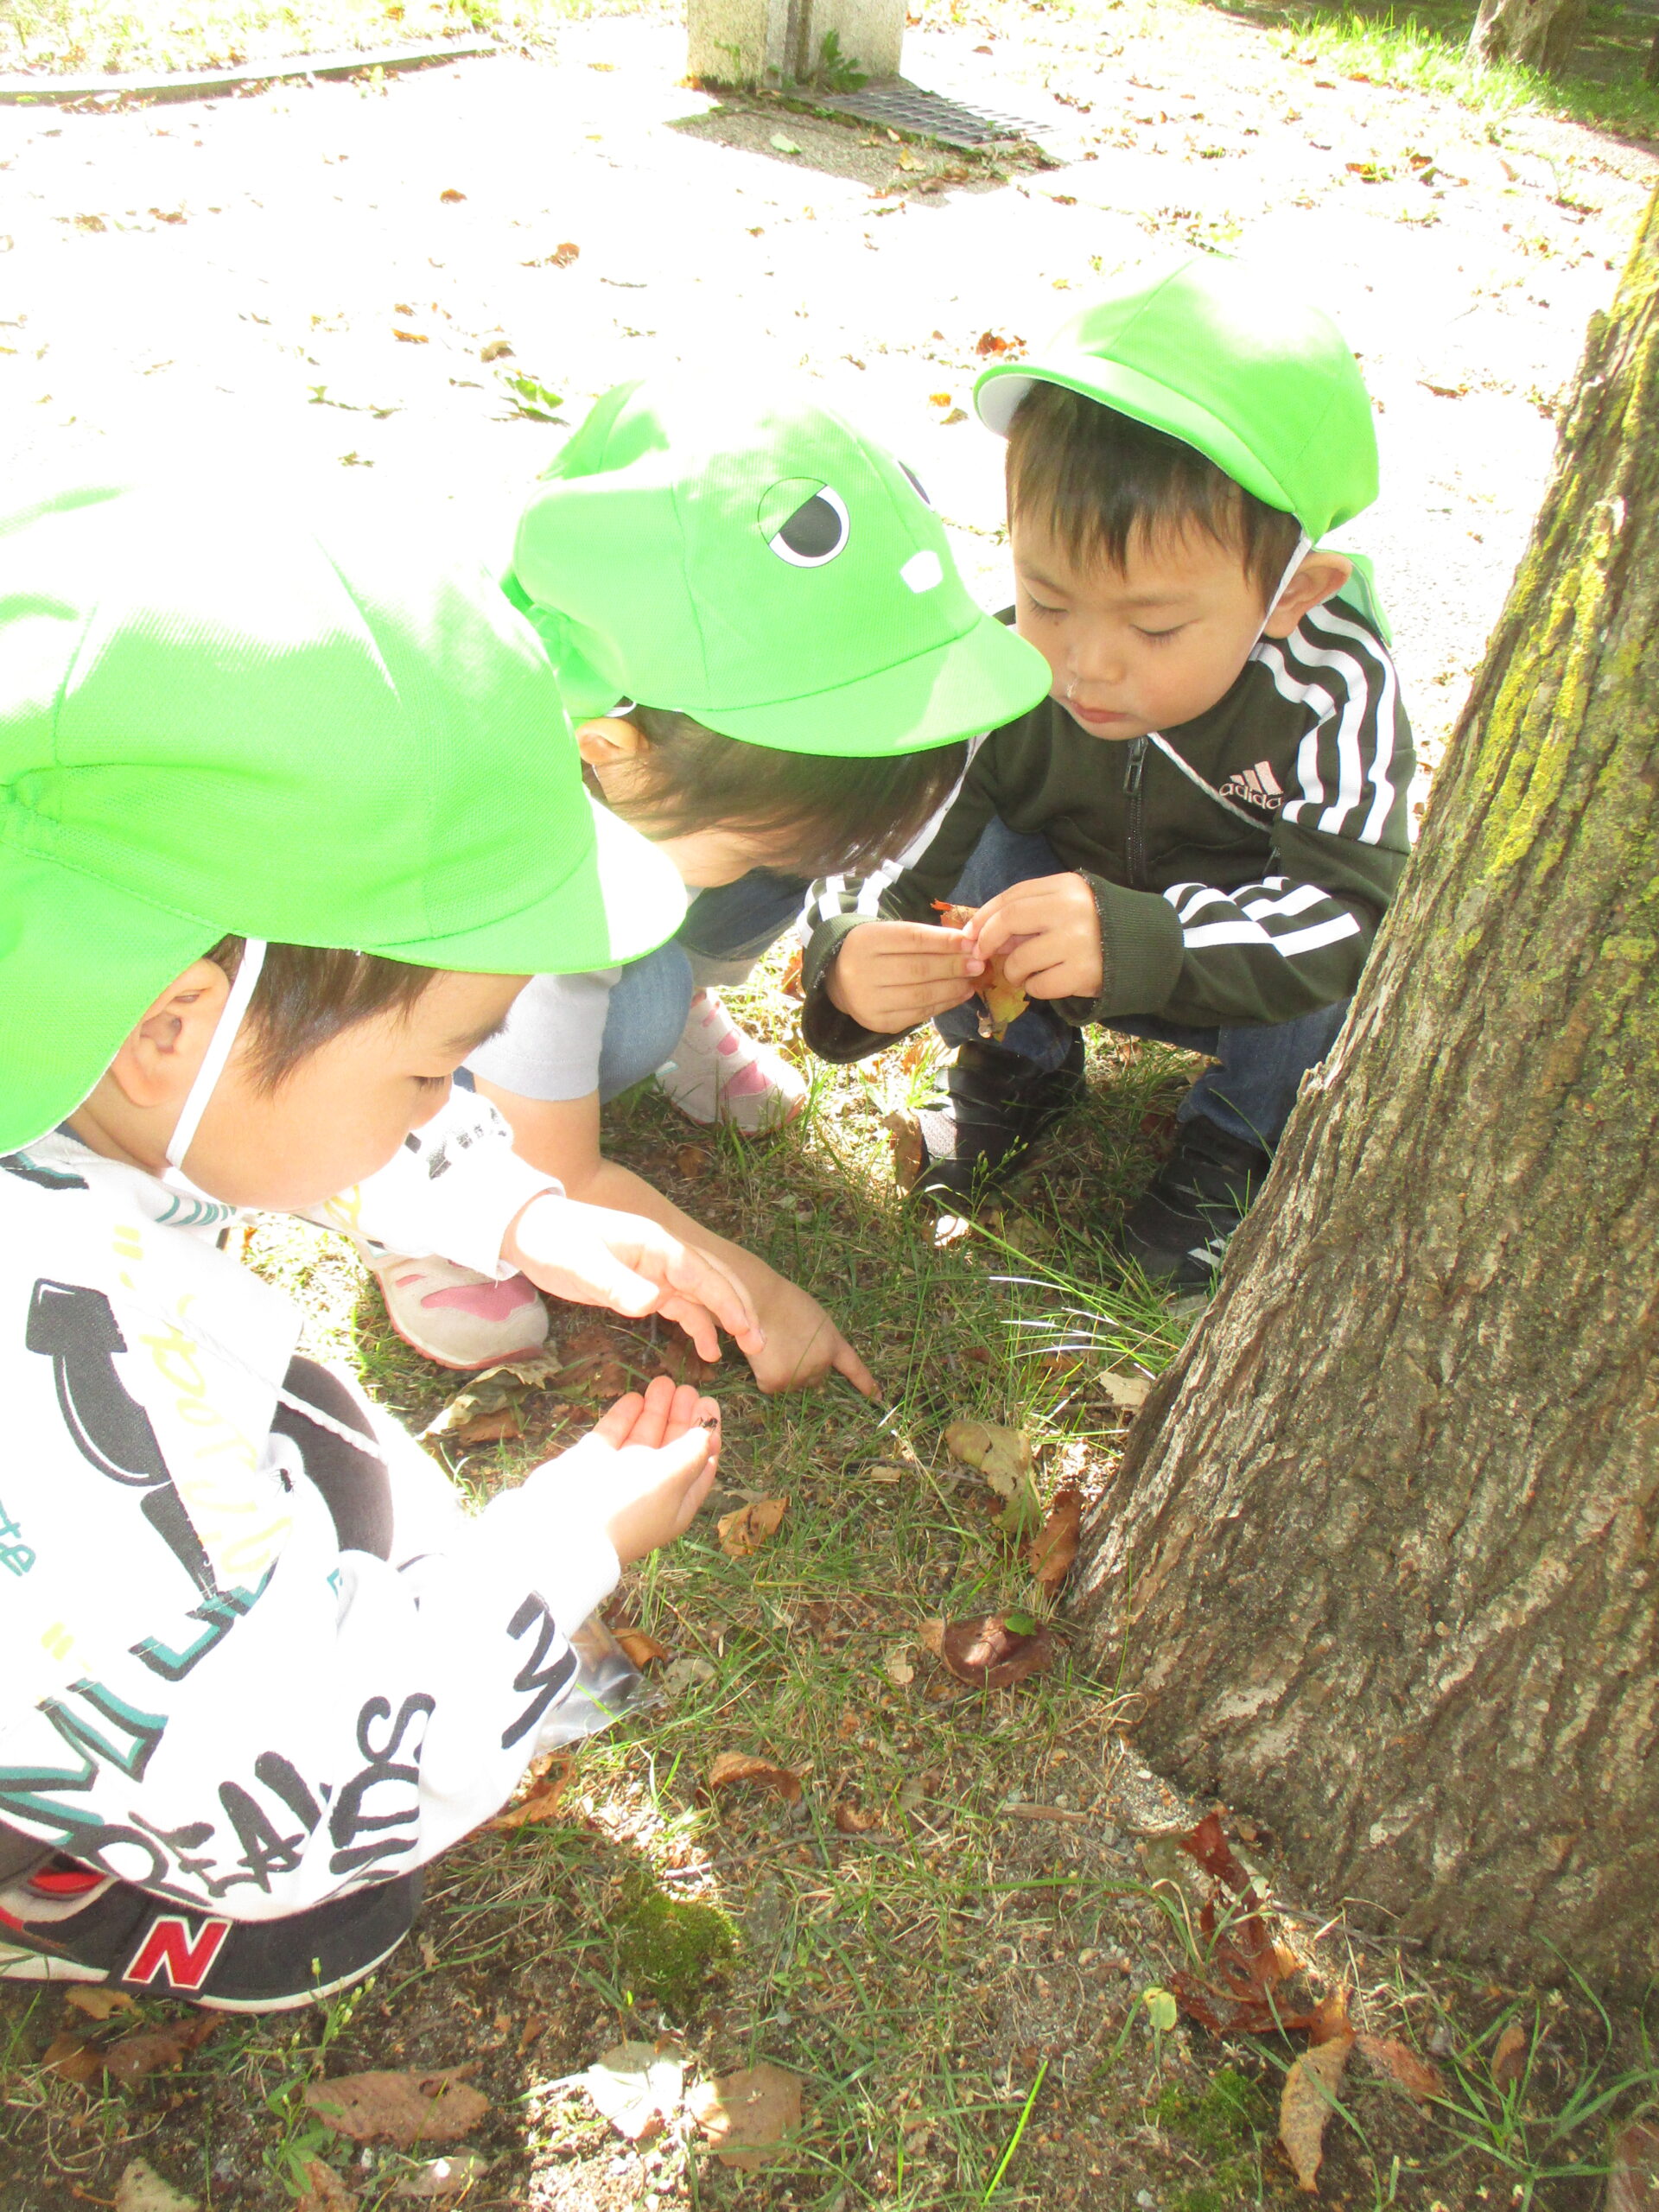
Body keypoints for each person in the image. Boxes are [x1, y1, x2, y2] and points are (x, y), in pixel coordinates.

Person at [0, 479, 758, 2010]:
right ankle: (51, 1869)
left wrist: (520, 1211)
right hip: (156, 1716)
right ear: (172, 1032)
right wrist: (564, 1549)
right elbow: (277, 1771)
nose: (443, 1098)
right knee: (306, 1874)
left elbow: (288, 1115)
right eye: (431, 1069)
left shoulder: (67, 1021)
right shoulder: (70, 1362)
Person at [372, 374, 1052, 1384]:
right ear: (612, 750)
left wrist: (813, 890)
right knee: (583, 1027)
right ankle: (424, 1198)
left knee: (745, 876)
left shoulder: (658, 750)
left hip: (613, 869)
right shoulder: (517, 868)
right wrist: (757, 1295)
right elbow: (567, 1173)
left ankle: (660, 996)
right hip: (386, 1008)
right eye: (740, 847)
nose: (779, 874)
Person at [796, 257, 1416, 1293]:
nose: (1086, 662)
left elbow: (1350, 916)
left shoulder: (1331, 688)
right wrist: (847, 949)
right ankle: (1015, 1064)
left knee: (1317, 926)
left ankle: (1234, 1140)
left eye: (1156, 624)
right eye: (1047, 597)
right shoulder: (1010, 672)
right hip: (1055, 947)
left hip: (1230, 972)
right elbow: (894, 829)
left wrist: (1144, 936)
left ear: (1291, 594)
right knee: (987, 832)